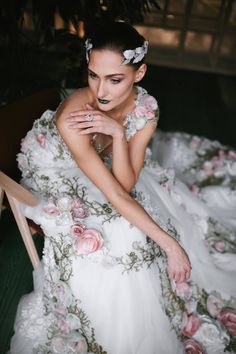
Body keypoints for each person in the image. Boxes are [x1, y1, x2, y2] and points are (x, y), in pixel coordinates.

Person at [9, 22, 236, 354]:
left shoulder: (146, 109)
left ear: (139, 73)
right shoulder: (73, 117)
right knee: (127, 233)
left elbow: (125, 184)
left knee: (155, 204)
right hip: (57, 173)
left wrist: (117, 133)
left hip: (105, 173)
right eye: (93, 75)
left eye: (115, 79)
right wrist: (170, 245)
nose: (101, 91)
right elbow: (116, 195)